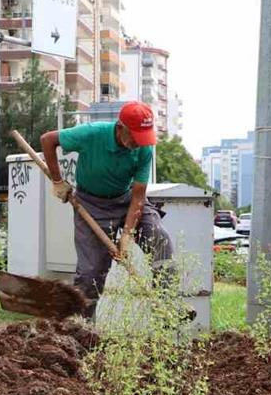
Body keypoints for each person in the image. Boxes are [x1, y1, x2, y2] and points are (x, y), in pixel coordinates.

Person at [40, 101, 173, 318]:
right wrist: (57, 181)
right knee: (91, 272)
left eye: (144, 138)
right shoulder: (93, 133)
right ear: (121, 128)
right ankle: (81, 329)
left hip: (127, 199)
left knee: (160, 239)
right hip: (91, 204)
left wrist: (127, 236)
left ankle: (167, 305)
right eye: (136, 137)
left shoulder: (143, 149)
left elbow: (139, 195)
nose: (140, 144)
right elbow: (48, 139)